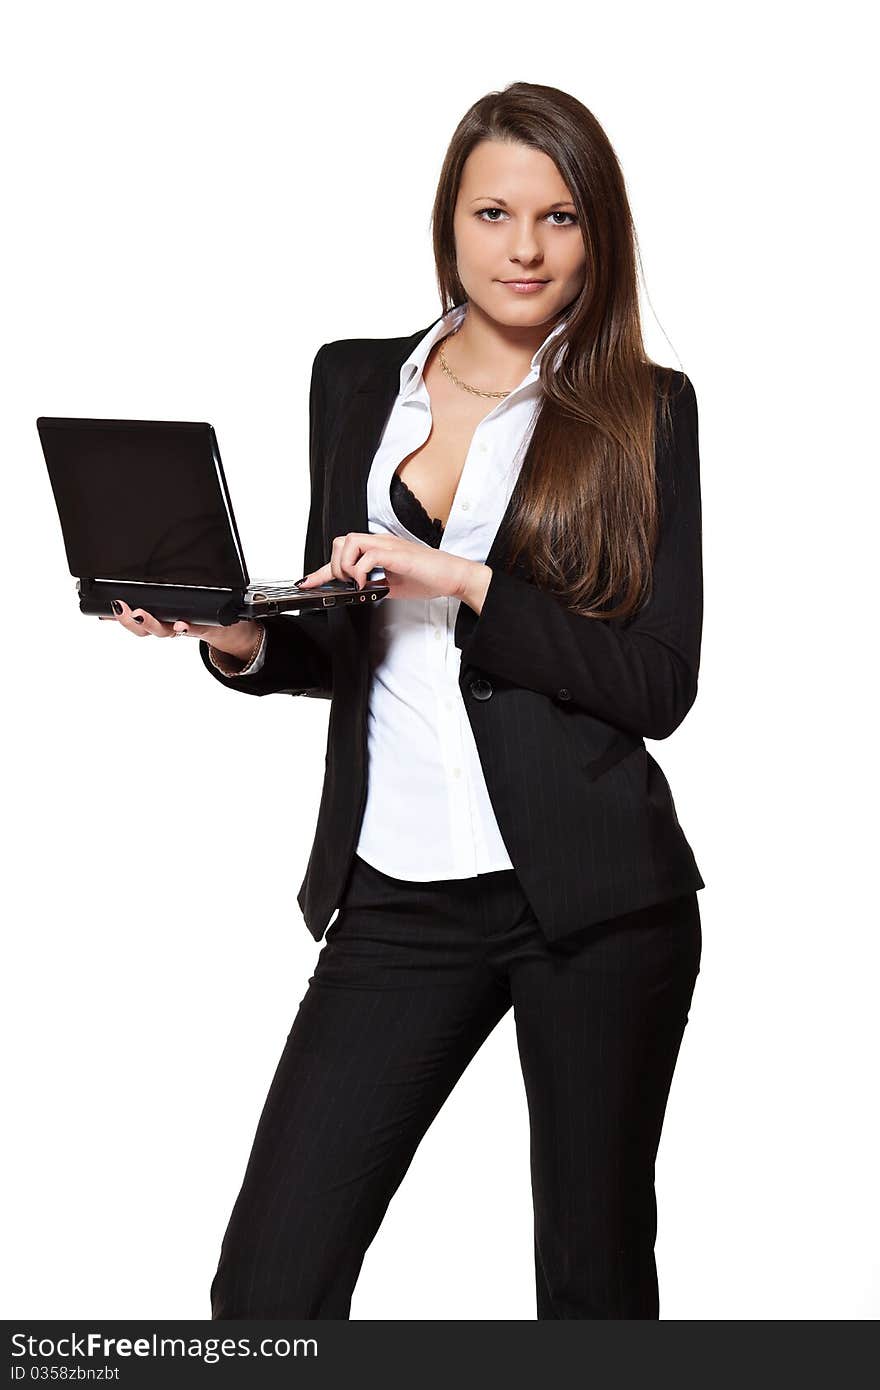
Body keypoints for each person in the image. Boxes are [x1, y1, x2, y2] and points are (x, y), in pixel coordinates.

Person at [106, 81, 705, 1320]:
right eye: (494, 212)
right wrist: (233, 631)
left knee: (590, 1293)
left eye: (559, 218)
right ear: (451, 221)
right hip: (395, 895)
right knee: (268, 1289)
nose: (524, 249)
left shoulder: (641, 409)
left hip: (593, 902)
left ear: (601, 233)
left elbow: (655, 684)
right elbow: (349, 640)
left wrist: (470, 581)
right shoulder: (352, 382)